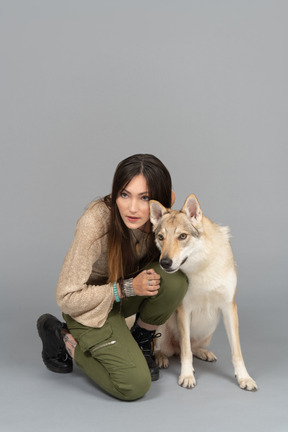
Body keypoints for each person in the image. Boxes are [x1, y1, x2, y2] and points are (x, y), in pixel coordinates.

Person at [37, 154, 188, 401]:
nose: (131, 208)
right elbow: (66, 297)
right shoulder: (95, 223)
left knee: (175, 280)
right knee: (135, 385)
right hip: (89, 308)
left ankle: (141, 340)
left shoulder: (160, 214)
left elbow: (170, 200)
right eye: (124, 194)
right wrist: (127, 288)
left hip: (127, 293)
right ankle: (62, 336)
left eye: (145, 197)